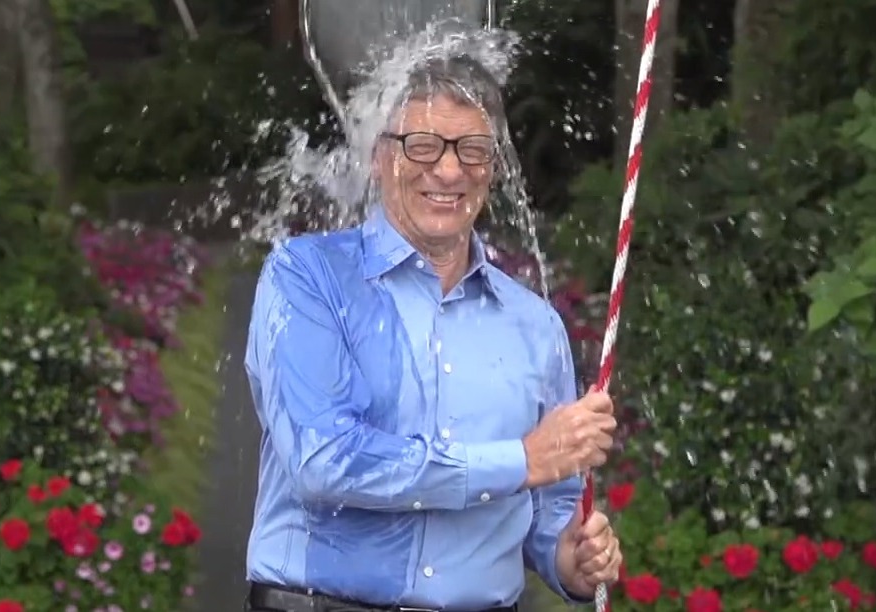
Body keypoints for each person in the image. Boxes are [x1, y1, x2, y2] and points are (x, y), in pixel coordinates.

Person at [243, 53, 622, 612]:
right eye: (422, 145)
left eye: (472, 150)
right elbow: (323, 459)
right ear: (379, 156)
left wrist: (571, 558)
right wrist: (520, 459)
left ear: (493, 168)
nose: (449, 171)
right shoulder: (307, 277)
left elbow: (549, 505)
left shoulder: (535, 325)